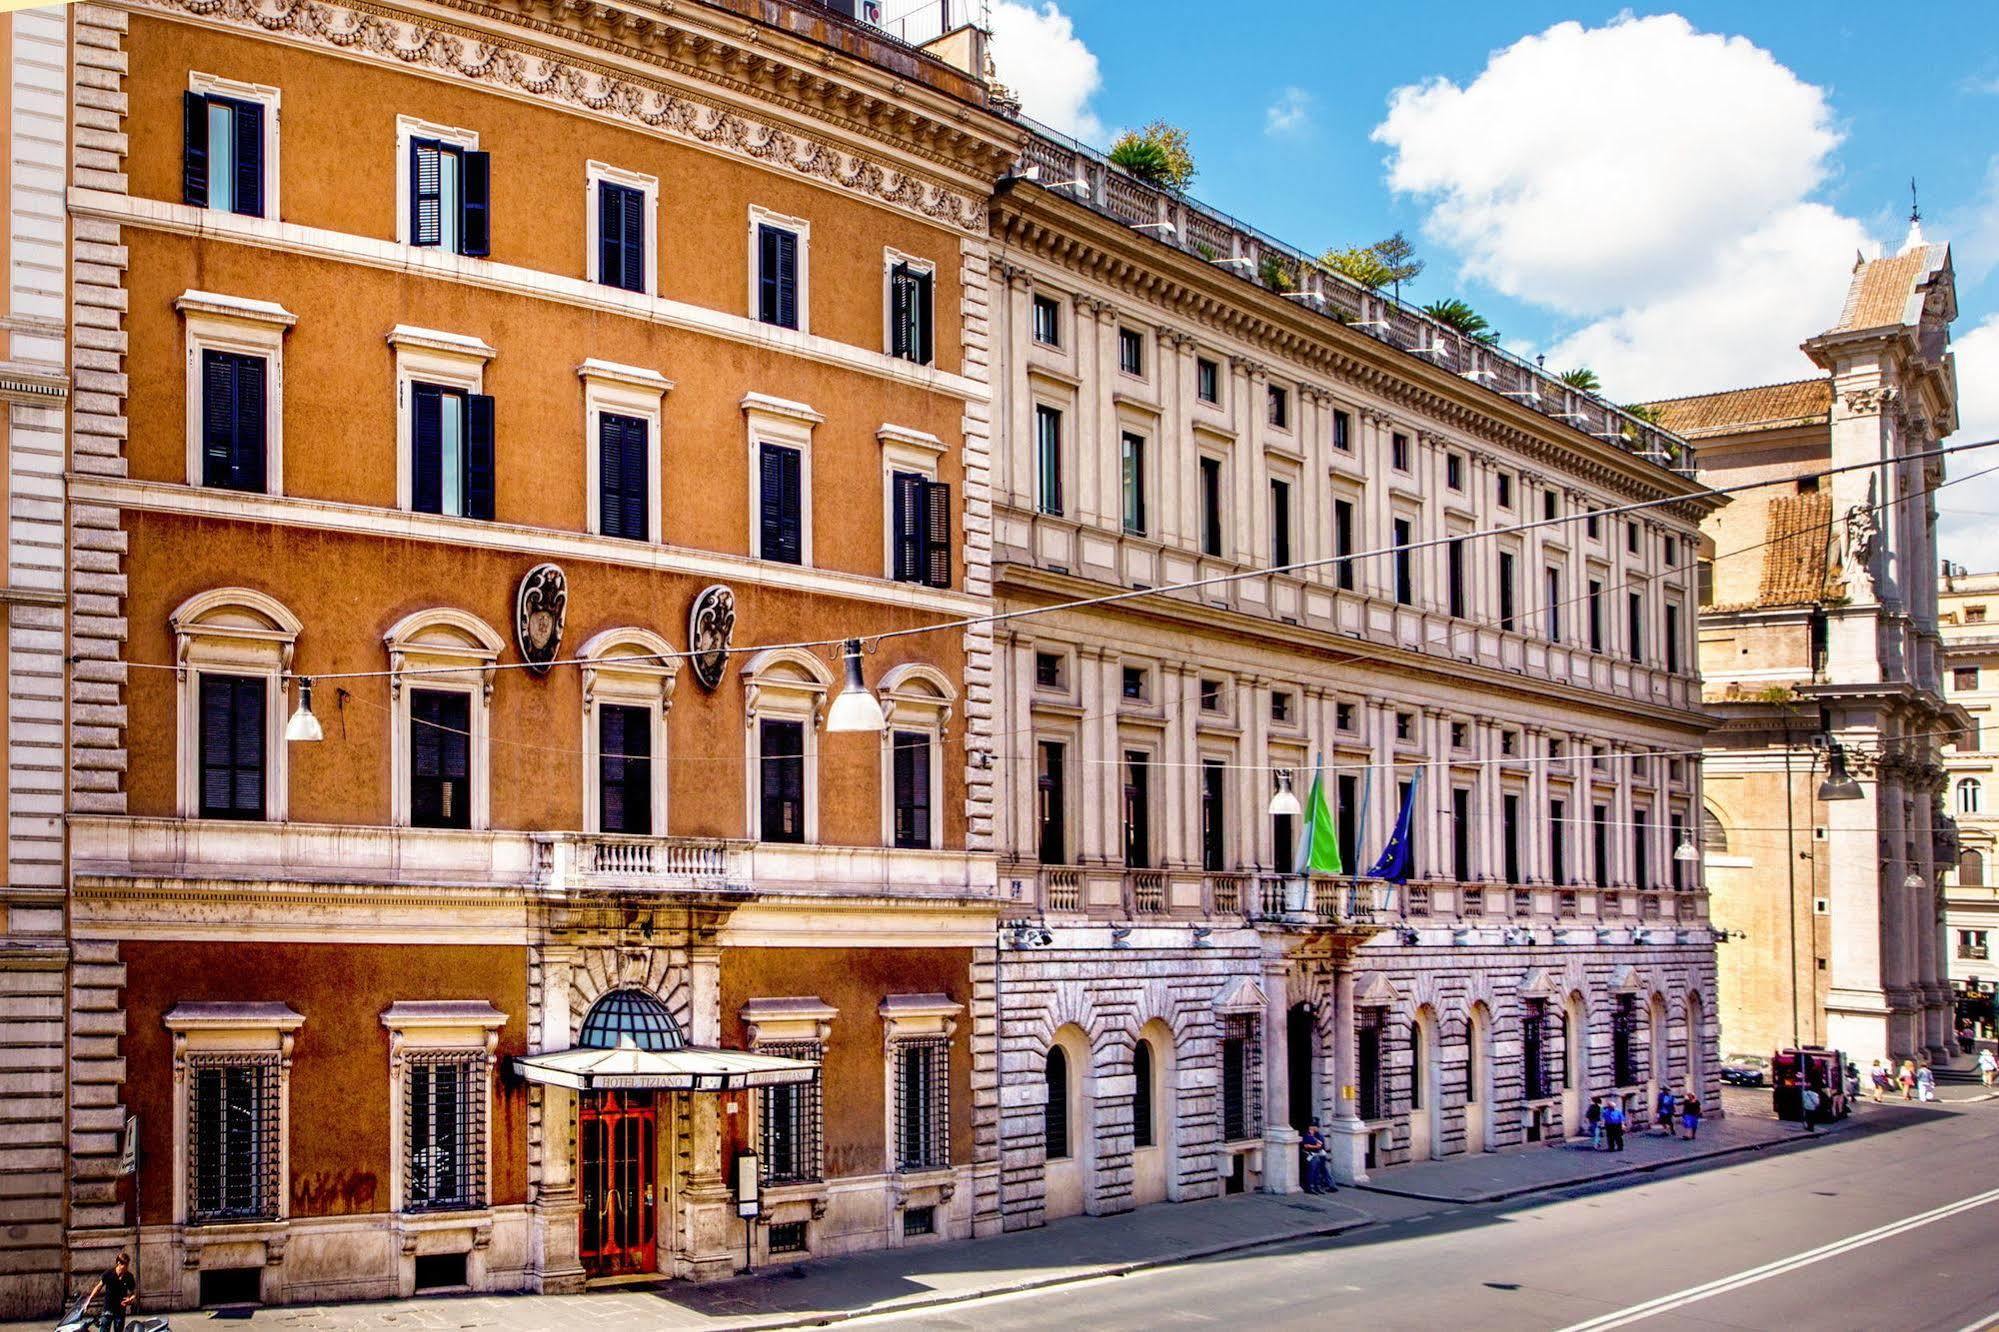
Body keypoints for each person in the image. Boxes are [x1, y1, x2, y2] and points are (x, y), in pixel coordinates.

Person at [87, 1252, 136, 1332]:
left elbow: (133, 1293)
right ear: (118, 1263)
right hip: (108, 1309)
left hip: (120, 1311)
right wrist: (89, 1299)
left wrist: (130, 1299)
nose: (126, 1267)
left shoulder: (129, 1276)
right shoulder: (109, 1273)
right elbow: (98, 1287)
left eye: (127, 1265)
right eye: (125, 1265)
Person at [1299, 1122, 1337, 1194]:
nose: (1315, 1128)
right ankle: (1311, 1187)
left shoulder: (1317, 1135)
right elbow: (1307, 1146)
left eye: (1315, 1127)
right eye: (1313, 1127)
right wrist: (1315, 1146)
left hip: (1318, 1155)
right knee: (1312, 1171)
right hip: (1311, 1155)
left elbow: (1319, 1144)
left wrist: (1315, 1145)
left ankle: (1318, 1186)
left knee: (1318, 1171)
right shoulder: (1308, 1135)